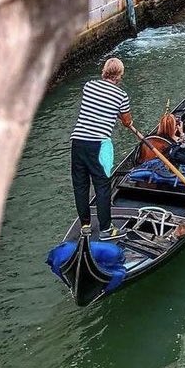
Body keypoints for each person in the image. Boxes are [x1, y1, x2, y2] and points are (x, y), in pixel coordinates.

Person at [70, 57, 135, 240]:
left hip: (78, 141)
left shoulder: (89, 86)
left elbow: (95, 108)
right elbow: (127, 121)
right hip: (98, 144)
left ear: (104, 71)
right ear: (120, 75)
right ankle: (106, 229)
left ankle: (85, 226)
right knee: (102, 186)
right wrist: (120, 117)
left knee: (80, 186)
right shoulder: (121, 96)